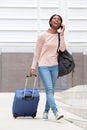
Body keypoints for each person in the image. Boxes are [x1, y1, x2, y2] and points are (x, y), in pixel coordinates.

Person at [30, 14, 66, 120]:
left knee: (51, 91)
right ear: (50, 22)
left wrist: (62, 33)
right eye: (54, 18)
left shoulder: (59, 36)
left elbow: (63, 49)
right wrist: (33, 67)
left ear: (60, 24)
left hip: (55, 66)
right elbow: (37, 52)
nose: (56, 20)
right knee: (49, 89)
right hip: (43, 66)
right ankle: (56, 112)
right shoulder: (43, 35)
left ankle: (45, 113)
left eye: (59, 19)